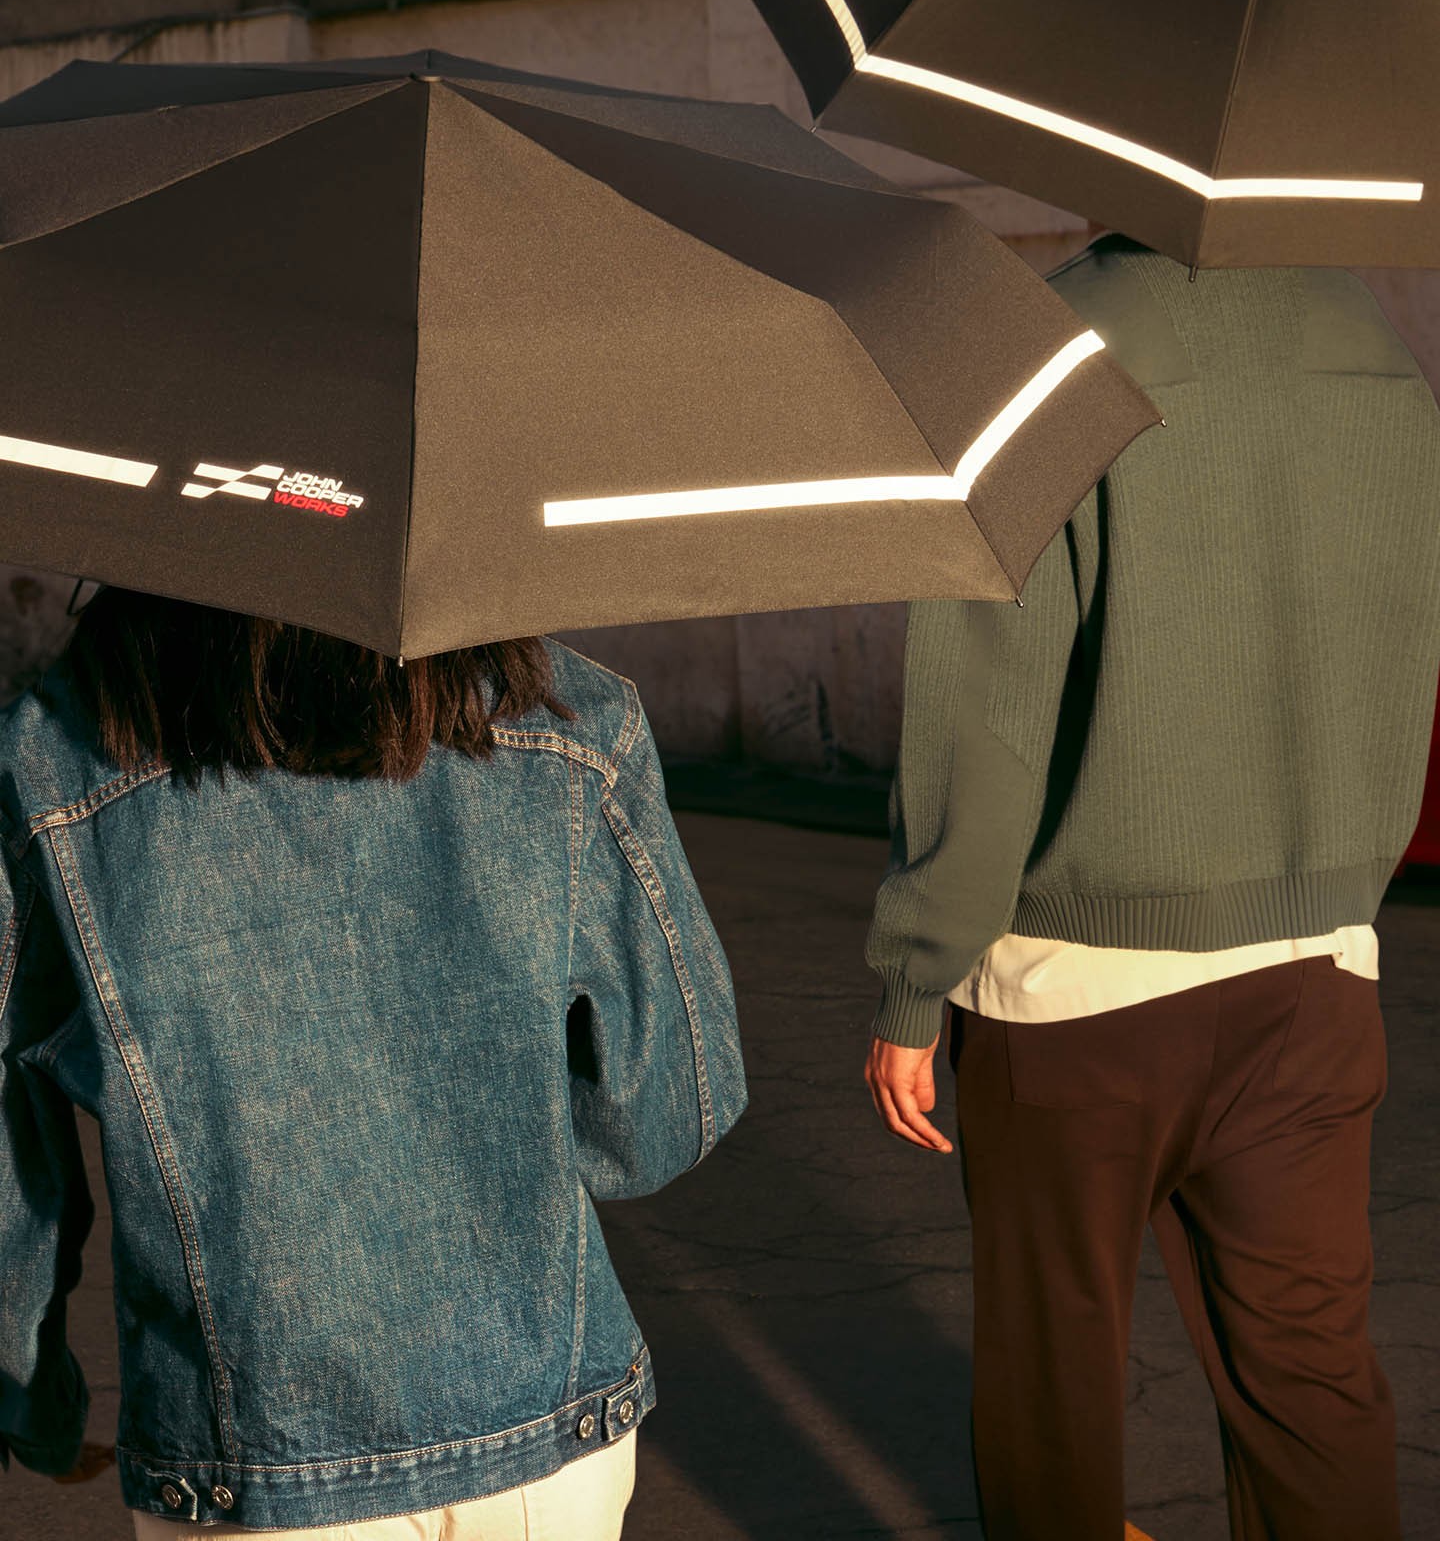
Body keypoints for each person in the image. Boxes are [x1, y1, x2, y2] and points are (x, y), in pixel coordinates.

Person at [863, 237, 1440, 1541]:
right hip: (1317, 969)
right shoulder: (1375, 347)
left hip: (1076, 997)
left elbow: (984, 711)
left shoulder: (1043, 350)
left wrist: (916, 974)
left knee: (1053, 1387)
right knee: (1311, 1393)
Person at [0, 591, 745, 1539]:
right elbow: (656, 1125)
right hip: (548, 1433)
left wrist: (34, 1404)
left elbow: (10, 1173)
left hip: (258, 1464)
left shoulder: (48, 760)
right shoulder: (572, 716)